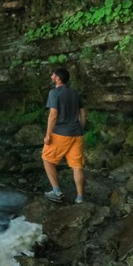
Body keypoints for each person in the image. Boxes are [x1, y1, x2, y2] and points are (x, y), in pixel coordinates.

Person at [42, 67, 87, 203]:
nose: (51, 77)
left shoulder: (54, 93)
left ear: (58, 79)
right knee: (77, 166)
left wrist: (48, 135)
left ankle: (56, 191)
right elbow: (82, 113)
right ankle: (80, 198)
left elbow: (53, 115)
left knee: (47, 159)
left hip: (61, 133)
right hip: (77, 133)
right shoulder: (74, 93)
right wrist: (80, 128)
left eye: (53, 75)